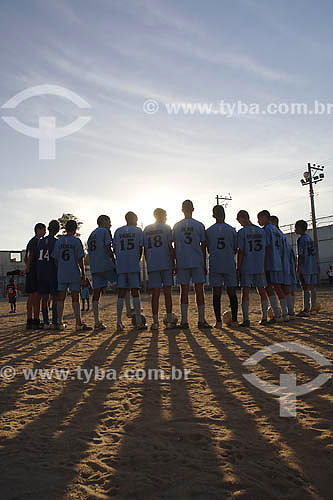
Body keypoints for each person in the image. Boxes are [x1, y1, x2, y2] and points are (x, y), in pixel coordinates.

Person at [173, 200, 212, 329]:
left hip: (182, 260)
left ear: (182, 209)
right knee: (199, 290)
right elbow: (204, 245)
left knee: (183, 291)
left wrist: (175, 262)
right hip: (196, 260)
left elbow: (174, 245)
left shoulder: (177, 226)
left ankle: (184, 321)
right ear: (193, 209)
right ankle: (201, 320)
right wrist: (204, 263)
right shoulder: (199, 225)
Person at [52, 220, 92, 332]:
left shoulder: (59, 242)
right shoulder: (76, 241)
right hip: (73, 271)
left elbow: (55, 259)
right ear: (75, 229)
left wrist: (60, 268)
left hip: (61, 272)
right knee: (75, 297)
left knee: (61, 297)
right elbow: (80, 259)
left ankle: (59, 322)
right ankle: (78, 323)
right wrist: (83, 274)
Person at [113, 212, 146, 331]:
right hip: (132, 264)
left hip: (121, 265)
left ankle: (118, 322)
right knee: (135, 291)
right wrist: (136, 259)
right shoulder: (138, 230)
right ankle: (138, 321)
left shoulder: (118, 231)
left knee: (121, 293)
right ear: (134, 219)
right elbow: (141, 248)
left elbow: (115, 249)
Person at [143, 208, 176, 330]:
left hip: (153, 264)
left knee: (155, 294)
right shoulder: (166, 228)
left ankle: (155, 322)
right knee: (168, 293)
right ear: (162, 215)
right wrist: (174, 261)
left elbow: (145, 250)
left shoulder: (146, 229)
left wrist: (149, 262)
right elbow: (169, 246)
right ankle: (168, 321)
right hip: (165, 262)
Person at [206, 205, 238, 328]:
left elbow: (208, 248)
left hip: (215, 262)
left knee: (217, 292)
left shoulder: (209, 231)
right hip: (228, 262)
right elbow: (235, 248)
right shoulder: (231, 230)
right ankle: (234, 320)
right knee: (232, 292)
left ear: (213, 215)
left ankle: (218, 322)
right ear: (224, 214)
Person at [236, 210, 269, 326]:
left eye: (239, 220)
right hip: (259, 264)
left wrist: (238, 267)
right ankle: (264, 317)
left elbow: (241, 251)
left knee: (245, 291)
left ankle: (246, 319)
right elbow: (265, 249)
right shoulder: (261, 231)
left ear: (242, 218)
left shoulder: (242, 232)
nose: (239, 223)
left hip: (247, 264)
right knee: (262, 290)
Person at [257, 210, 289, 322]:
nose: (258, 221)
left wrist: (263, 263)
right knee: (278, 287)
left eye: (259, 218)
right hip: (278, 262)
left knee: (269, 288)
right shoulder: (277, 231)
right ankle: (285, 313)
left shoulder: (266, 230)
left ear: (265, 217)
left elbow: (266, 247)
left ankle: (277, 314)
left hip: (270, 262)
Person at [87, 215, 116, 330]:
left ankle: (96, 321)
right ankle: (129, 311)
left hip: (95, 266)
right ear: (103, 221)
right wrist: (114, 261)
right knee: (122, 284)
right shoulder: (105, 231)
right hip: (105, 264)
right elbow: (108, 247)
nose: (110, 224)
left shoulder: (91, 234)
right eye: (109, 221)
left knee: (96, 293)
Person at [270, 216, 296, 319]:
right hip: (286, 263)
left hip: (278, 263)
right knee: (285, 287)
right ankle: (290, 312)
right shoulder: (282, 235)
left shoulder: (273, 233)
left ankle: (284, 313)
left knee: (277, 287)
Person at [36, 219, 60, 328]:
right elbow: (55, 259)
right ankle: (55, 321)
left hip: (41, 272)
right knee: (55, 297)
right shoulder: (56, 242)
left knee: (44, 299)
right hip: (52, 272)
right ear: (58, 230)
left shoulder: (40, 241)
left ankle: (45, 322)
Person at [25, 223, 46, 329]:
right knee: (36, 296)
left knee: (31, 296)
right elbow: (30, 255)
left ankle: (29, 320)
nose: (45, 232)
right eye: (43, 229)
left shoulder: (31, 241)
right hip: (34, 271)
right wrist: (29, 267)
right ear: (38, 230)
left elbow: (26, 257)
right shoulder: (36, 241)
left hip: (31, 272)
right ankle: (35, 320)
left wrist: (28, 268)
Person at [295, 220, 317, 316]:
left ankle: (306, 309)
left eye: (296, 228)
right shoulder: (309, 238)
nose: (295, 230)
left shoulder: (301, 239)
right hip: (312, 265)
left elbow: (300, 255)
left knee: (305, 287)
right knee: (312, 287)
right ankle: (313, 307)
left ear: (300, 228)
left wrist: (298, 268)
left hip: (305, 266)